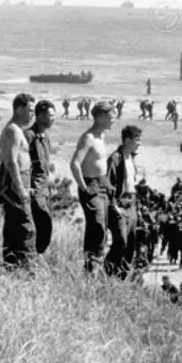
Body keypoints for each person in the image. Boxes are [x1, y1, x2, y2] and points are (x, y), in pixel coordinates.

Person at [0, 93, 36, 269]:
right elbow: (12, 162)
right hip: (14, 185)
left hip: (20, 182)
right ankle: (24, 268)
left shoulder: (17, 130)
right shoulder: (12, 131)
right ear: (18, 109)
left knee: (17, 226)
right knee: (25, 227)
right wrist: (21, 188)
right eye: (29, 110)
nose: (32, 114)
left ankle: (13, 267)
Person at [69, 99, 115, 272]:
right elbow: (74, 164)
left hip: (102, 183)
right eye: (111, 115)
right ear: (102, 117)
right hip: (91, 184)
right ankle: (91, 267)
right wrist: (83, 187)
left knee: (103, 226)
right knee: (97, 226)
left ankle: (97, 265)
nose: (114, 119)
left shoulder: (101, 136)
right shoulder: (88, 138)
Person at [104, 125, 142, 279]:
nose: (139, 143)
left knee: (131, 243)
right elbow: (107, 183)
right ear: (127, 140)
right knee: (121, 240)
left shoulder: (131, 157)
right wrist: (113, 206)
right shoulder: (115, 158)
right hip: (119, 204)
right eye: (137, 140)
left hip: (131, 203)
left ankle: (121, 277)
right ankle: (107, 272)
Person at [25, 100, 55, 255]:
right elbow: (23, 164)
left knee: (44, 224)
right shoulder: (29, 136)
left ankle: (37, 255)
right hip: (33, 188)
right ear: (40, 116)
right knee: (39, 221)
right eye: (50, 115)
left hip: (44, 187)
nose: (53, 119)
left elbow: (46, 164)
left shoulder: (45, 137)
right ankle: (31, 255)